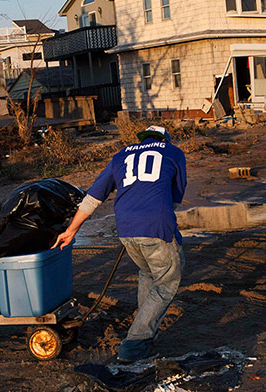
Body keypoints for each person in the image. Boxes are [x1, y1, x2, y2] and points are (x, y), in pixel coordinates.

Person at [52, 125, 187, 363]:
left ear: (141, 139)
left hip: (125, 228)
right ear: (164, 139)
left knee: (147, 273)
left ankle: (145, 336)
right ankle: (134, 345)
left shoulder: (121, 155)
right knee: (166, 283)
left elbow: (93, 198)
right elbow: (176, 196)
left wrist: (71, 231)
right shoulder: (173, 152)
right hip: (155, 226)